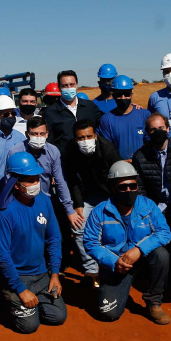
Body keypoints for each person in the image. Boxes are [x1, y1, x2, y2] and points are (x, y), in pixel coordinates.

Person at [82, 161, 171, 324]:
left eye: (133, 186)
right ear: (113, 188)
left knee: (161, 255)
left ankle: (154, 302)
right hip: (115, 266)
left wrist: (139, 249)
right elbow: (90, 242)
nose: (129, 191)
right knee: (109, 313)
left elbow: (164, 232)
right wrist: (114, 262)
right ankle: (112, 287)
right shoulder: (99, 212)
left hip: (142, 260)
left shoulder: (148, 205)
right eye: (123, 187)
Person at [0, 152, 67, 334]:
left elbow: (54, 238)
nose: (36, 184)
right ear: (15, 183)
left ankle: (28, 302)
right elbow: (2, 255)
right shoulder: (4, 212)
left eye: (37, 179)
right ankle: (8, 296)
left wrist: (55, 274)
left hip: (42, 274)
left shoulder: (44, 201)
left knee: (58, 316)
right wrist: (21, 289)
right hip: (19, 275)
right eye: (30, 180)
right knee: (29, 327)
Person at [63, 119, 121, 284]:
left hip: (111, 195)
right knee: (78, 225)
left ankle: (112, 264)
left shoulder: (107, 148)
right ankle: (91, 269)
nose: (85, 141)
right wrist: (78, 204)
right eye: (81, 138)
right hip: (87, 195)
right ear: (75, 139)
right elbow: (72, 179)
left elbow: (118, 178)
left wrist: (118, 203)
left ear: (95, 135)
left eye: (89, 136)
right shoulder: (71, 149)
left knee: (112, 227)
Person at [132, 114, 171, 226]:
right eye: (153, 129)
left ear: (167, 128)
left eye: (161, 128)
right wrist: (148, 210)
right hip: (154, 206)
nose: (157, 132)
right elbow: (140, 188)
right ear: (147, 132)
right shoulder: (140, 156)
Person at [44, 70, 103, 159]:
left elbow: (104, 123)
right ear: (59, 88)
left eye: (71, 84)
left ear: (77, 85)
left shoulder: (90, 106)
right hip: (65, 162)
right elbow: (49, 142)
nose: (69, 88)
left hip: (91, 160)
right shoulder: (51, 112)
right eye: (65, 85)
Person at [98, 75, 151, 161]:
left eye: (126, 94)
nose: (123, 98)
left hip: (142, 165)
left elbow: (150, 142)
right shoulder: (106, 120)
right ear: (113, 95)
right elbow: (107, 149)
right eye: (119, 94)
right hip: (118, 167)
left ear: (131, 95)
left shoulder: (144, 115)